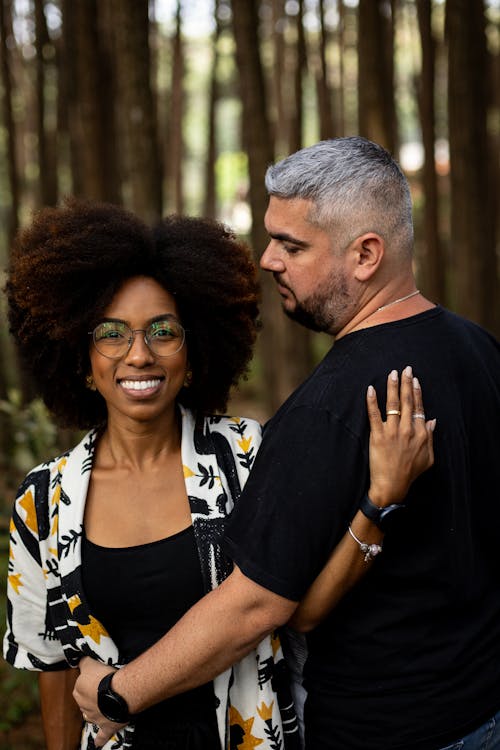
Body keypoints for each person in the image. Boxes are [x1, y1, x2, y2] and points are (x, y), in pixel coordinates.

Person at [71, 137, 500, 750]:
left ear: (366, 255)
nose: (267, 259)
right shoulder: (481, 350)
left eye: (291, 245)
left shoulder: (330, 408)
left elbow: (256, 606)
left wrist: (120, 692)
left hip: (391, 729)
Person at [3, 196, 432, 750]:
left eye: (163, 331)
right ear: (80, 362)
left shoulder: (250, 456)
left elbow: (305, 608)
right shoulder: (42, 501)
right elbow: (54, 667)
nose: (139, 354)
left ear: (195, 351)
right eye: (112, 334)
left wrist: (379, 502)